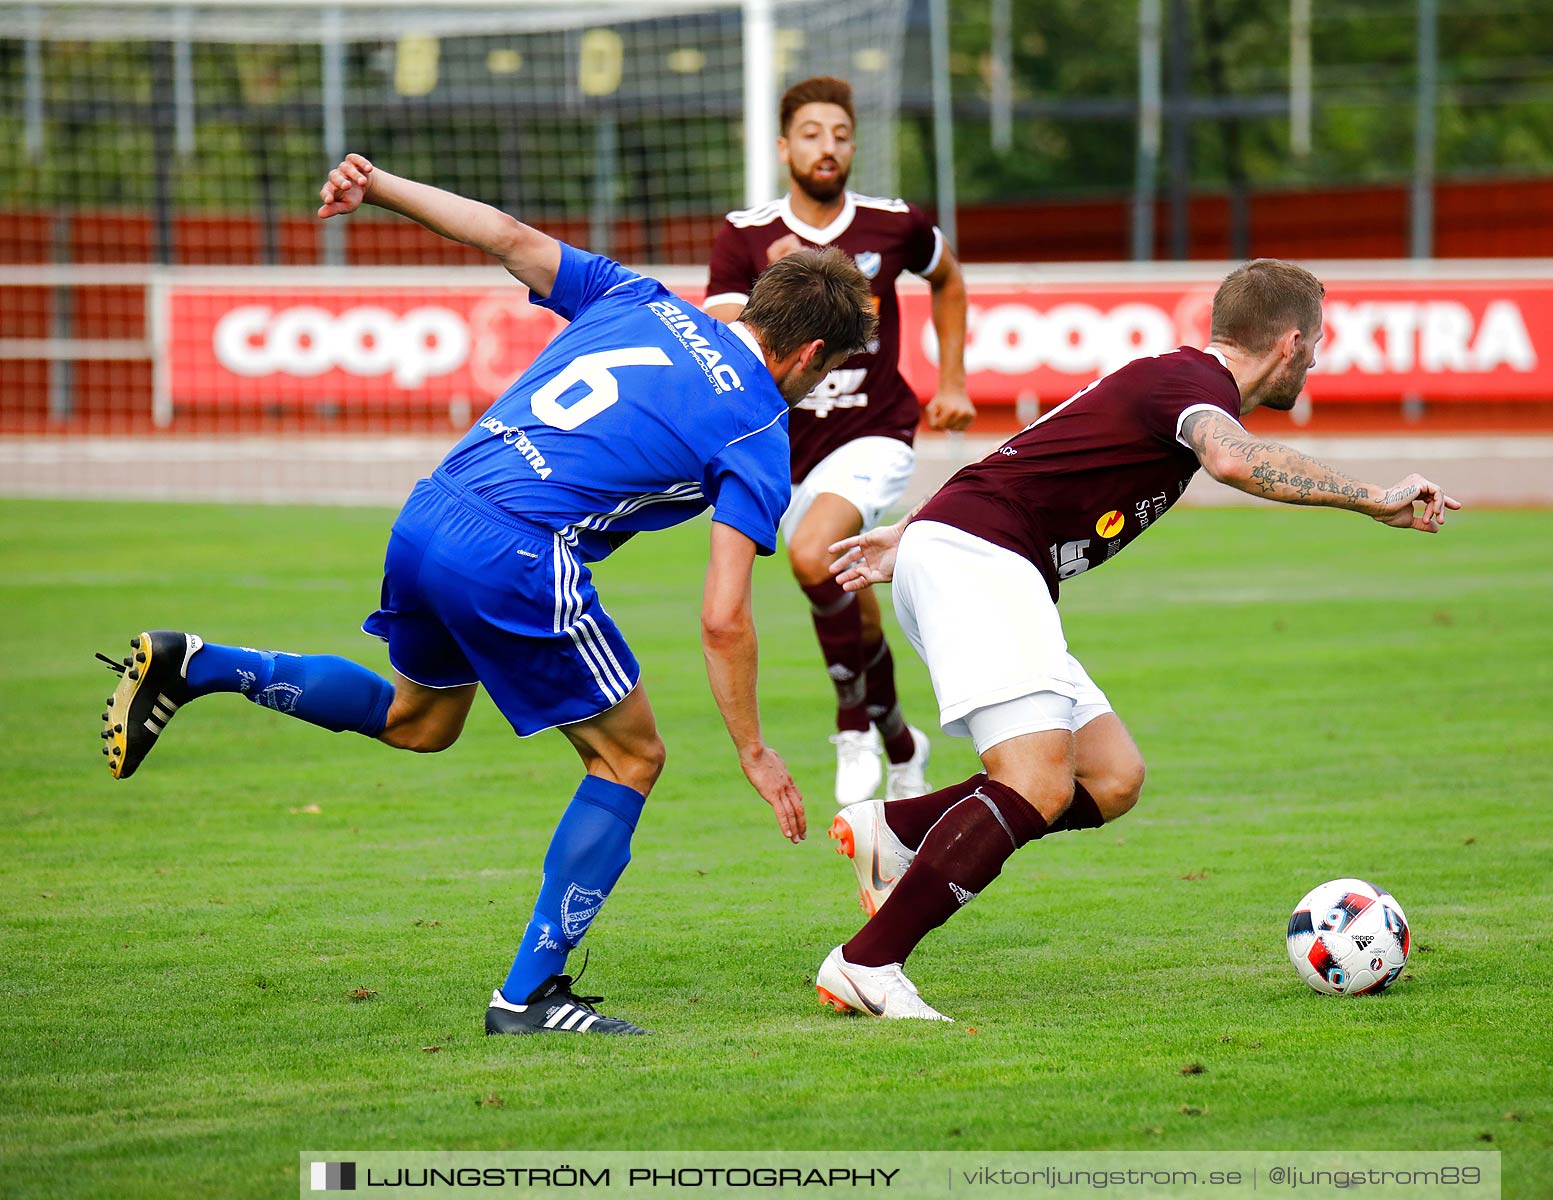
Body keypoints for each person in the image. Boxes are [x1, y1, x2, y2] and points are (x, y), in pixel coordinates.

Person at [96, 152, 874, 1036]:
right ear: (809, 353)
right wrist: (755, 751)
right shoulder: (761, 426)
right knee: (631, 759)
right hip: (517, 554)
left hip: (433, 510)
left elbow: (505, 236)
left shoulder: (639, 297)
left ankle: (198, 665)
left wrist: (378, 186)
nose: (817, 387)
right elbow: (723, 613)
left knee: (418, 722)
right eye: (827, 370)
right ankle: (531, 996)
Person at [809, 259, 1461, 1020]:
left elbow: (1033, 446)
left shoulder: (1169, 379)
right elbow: (1232, 458)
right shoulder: (1195, 387)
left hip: (975, 555)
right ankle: (868, 960)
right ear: (1289, 343)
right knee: (1038, 782)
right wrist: (1374, 498)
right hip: (982, 561)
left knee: (1111, 777)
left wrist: (918, 533)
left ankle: (897, 830)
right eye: (1314, 347)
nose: (1315, 362)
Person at [703, 76, 976, 809]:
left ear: (854, 145)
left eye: (842, 135)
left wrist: (951, 380)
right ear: (785, 145)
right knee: (845, 599)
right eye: (814, 134)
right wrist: (793, 270)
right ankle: (900, 740)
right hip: (782, 446)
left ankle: (852, 724)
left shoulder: (894, 224)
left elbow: (947, 279)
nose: (829, 147)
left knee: (809, 553)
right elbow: (729, 333)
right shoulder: (745, 233)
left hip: (874, 429)